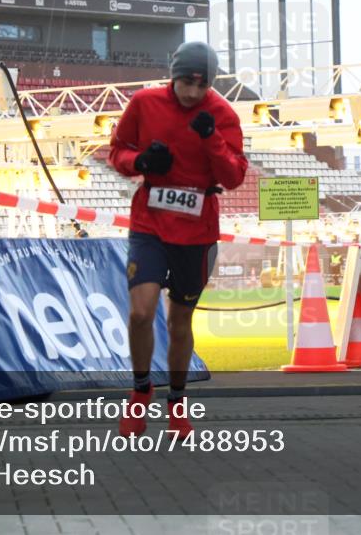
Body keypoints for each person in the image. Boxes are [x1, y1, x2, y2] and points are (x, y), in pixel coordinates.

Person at [109, 41, 248, 439]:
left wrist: (211, 140)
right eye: (187, 81)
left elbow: (234, 176)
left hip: (197, 230)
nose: (193, 92)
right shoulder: (144, 103)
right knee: (140, 311)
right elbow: (117, 152)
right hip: (150, 222)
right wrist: (141, 163)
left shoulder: (223, 114)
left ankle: (178, 401)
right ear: (174, 76)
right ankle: (139, 392)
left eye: (202, 85)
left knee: (180, 318)